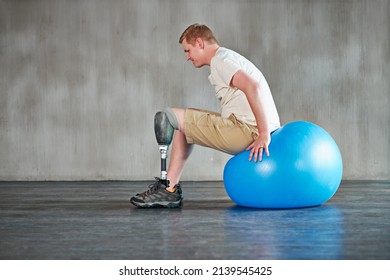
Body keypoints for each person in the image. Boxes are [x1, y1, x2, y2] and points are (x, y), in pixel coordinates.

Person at [130, 24, 280, 208]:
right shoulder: (226, 57)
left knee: (169, 115)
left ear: (200, 43)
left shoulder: (221, 60)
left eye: (188, 51)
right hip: (251, 127)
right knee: (185, 121)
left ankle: (167, 189)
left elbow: (253, 86)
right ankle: (170, 188)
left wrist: (263, 134)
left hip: (248, 131)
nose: (187, 57)